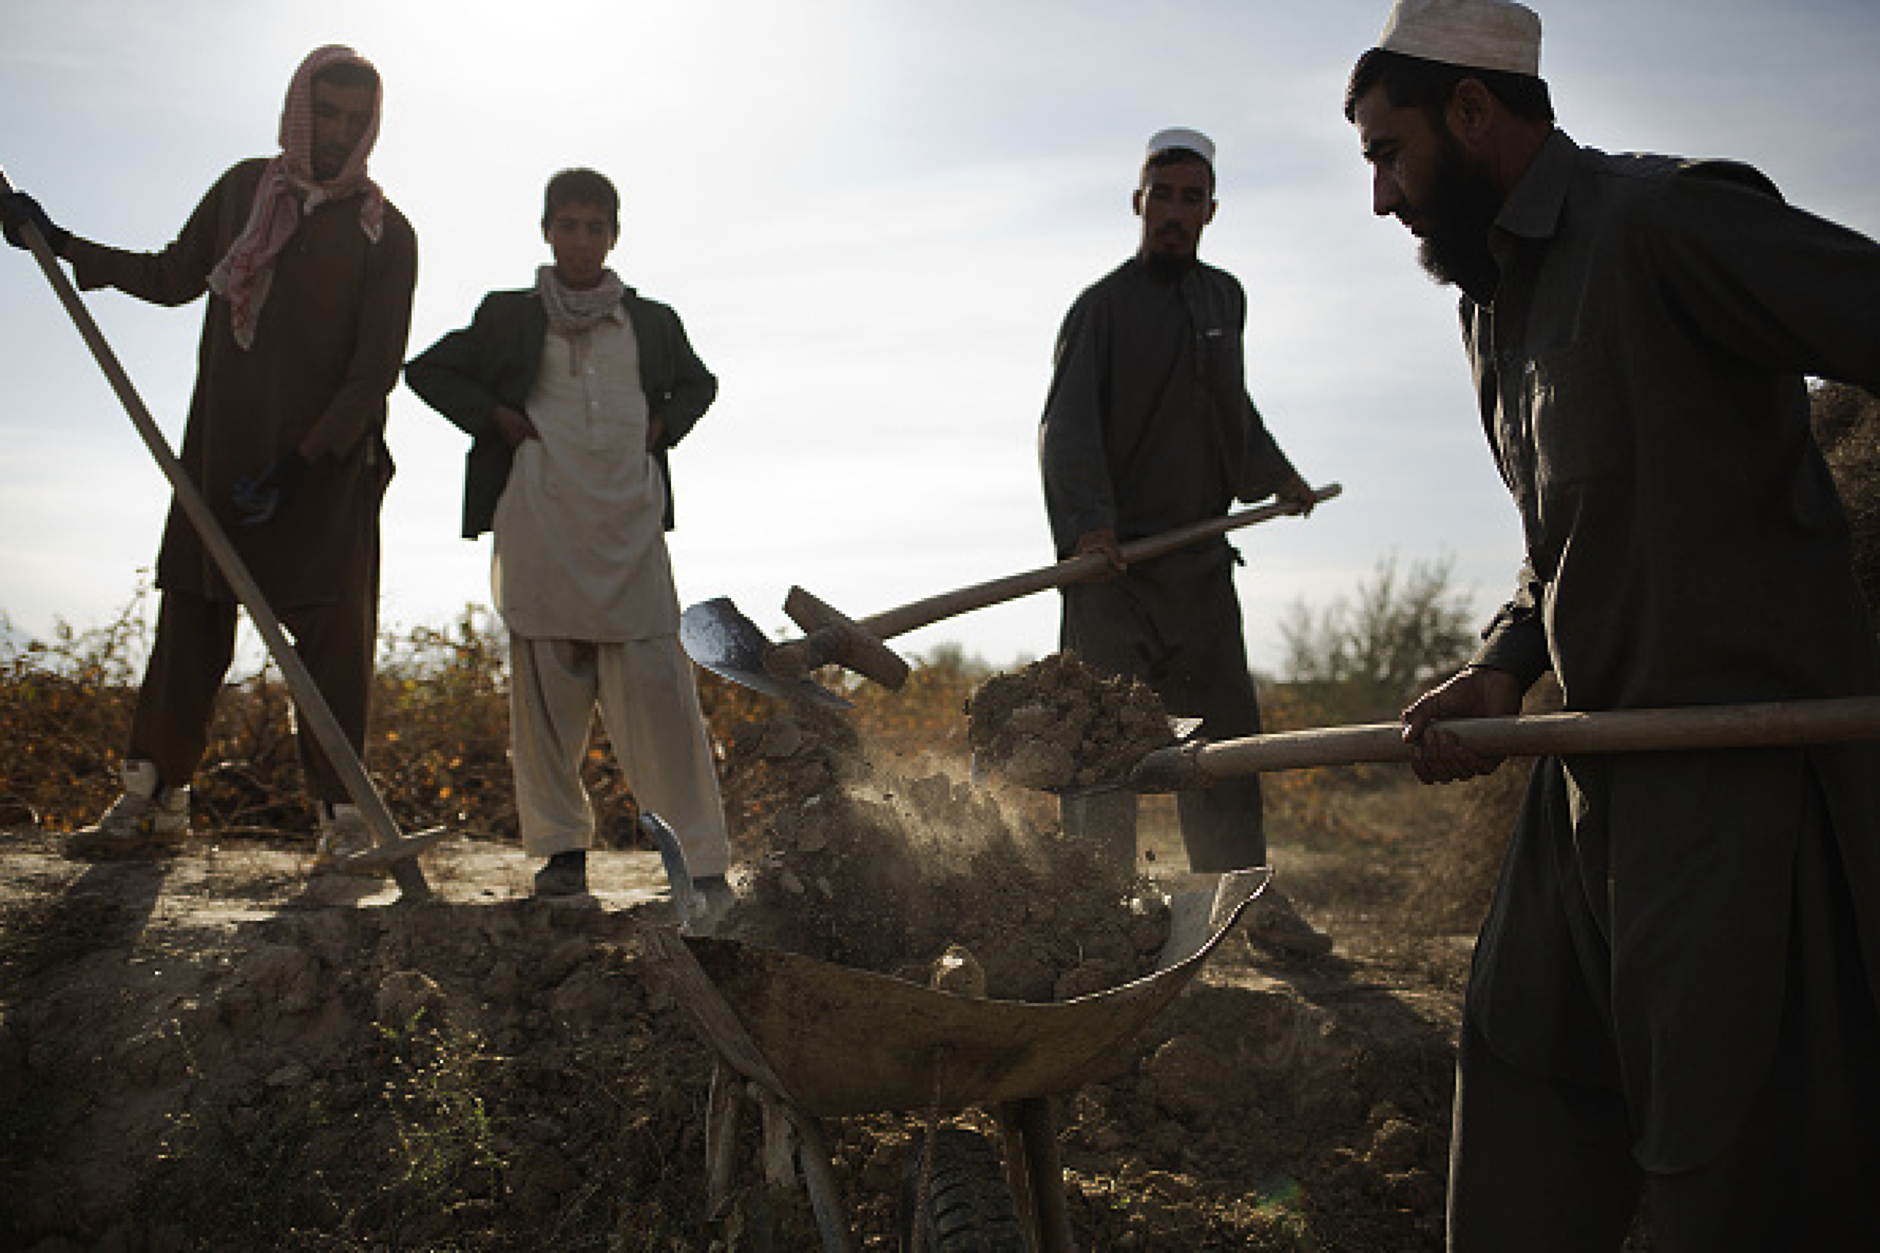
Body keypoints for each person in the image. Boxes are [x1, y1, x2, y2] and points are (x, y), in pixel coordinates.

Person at [1345, 1, 1880, 1247]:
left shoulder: (1664, 221)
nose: (1378, 195)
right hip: (1584, 762)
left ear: (1470, 112)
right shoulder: (1489, 301)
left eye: (1387, 151)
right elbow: (1559, 541)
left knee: (1722, 1145)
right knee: (1516, 1063)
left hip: (1733, 775)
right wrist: (1498, 663)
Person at [2, 46, 418, 868]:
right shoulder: (242, 192)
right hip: (224, 451)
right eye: (325, 112)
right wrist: (55, 240)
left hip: (325, 475)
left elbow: (374, 374)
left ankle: (342, 818)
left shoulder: (385, 233)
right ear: (299, 110)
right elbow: (174, 274)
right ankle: (153, 800)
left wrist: (301, 464)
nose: (337, 133)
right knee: (192, 614)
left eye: (354, 118)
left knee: (332, 639)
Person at [404, 168, 733, 916]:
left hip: (629, 523)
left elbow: (699, 386)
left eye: (596, 226)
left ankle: (702, 865)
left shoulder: (650, 323)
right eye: (569, 224)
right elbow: (426, 370)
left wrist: (662, 427)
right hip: (543, 520)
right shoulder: (511, 316)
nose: (581, 239)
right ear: (546, 230)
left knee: (659, 693)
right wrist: (498, 418)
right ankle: (559, 856)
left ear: (614, 236)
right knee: (547, 696)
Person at [1038, 127, 1329, 956]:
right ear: (1138, 201)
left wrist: (1276, 472)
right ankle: (1096, 918)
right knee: (1102, 748)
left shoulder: (1223, 300)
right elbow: (1066, 432)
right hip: (1113, 571)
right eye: (1159, 195)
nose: (1172, 212)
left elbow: (1231, 408)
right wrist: (1089, 527)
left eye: (1189, 198)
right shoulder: (1099, 310)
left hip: (1199, 567)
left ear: (1210, 210)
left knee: (1227, 746)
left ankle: (1244, 905)